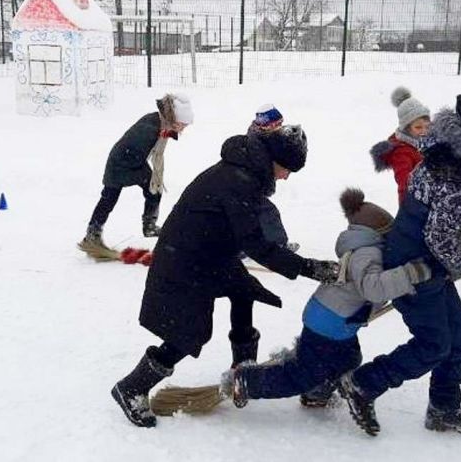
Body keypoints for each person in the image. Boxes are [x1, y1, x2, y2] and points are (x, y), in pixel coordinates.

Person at [111, 124, 341, 428]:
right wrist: (310, 267)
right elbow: (256, 244)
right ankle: (132, 388)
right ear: (274, 159)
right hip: (186, 260)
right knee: (188, 333)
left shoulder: (244, 170)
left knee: (244, 291)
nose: (285, 177)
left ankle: (242, 370)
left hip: (211, 253)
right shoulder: (238, 180)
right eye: (286, 169)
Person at [338, 94, 461, 437]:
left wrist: (446, 264)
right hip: (413, 267)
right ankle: (362, 383)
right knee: (434, 344)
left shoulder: (445, 155)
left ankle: (444, 409)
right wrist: (458, 264)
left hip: (426, 262)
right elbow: (439, 234)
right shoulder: (455, 172)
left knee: (458, 334)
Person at [222, 187, 432, 411]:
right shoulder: (366, 254)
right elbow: (374, 288)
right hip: (330, 322)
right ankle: (247, 383)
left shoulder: (363, 248)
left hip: (334, 320)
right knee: (302, 375)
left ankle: (316, 392)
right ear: (378, 233)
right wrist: (410, 274)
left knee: (348, 359)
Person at [79, 93, 193, 248]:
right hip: (121, 162)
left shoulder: (161, 122)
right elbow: (134, 151)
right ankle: (93, 234)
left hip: (133, 161)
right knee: (109, 198)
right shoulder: (151, 128)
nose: (183, 129)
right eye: (183, 125)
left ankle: (149, 226)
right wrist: (144, 175)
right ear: (174, 118)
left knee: (153, 188)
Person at [245, 104, 299, 253]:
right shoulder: (257, 142)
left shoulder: (264, 136)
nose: (280, 127)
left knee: (250, 215)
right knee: (267, 213)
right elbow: (263, 167)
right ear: (268, 125)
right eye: (278, 124)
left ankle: (242, 247)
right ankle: (278, 246)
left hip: (251, 185)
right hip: (247, 185)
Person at [370, 86, 430, 204]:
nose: (424, 131)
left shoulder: (425, 144)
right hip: (413, 205)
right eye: (418, 127)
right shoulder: (401, 152)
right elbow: (405, 183)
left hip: (430, 200)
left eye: (427, 126)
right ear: (407, 128)